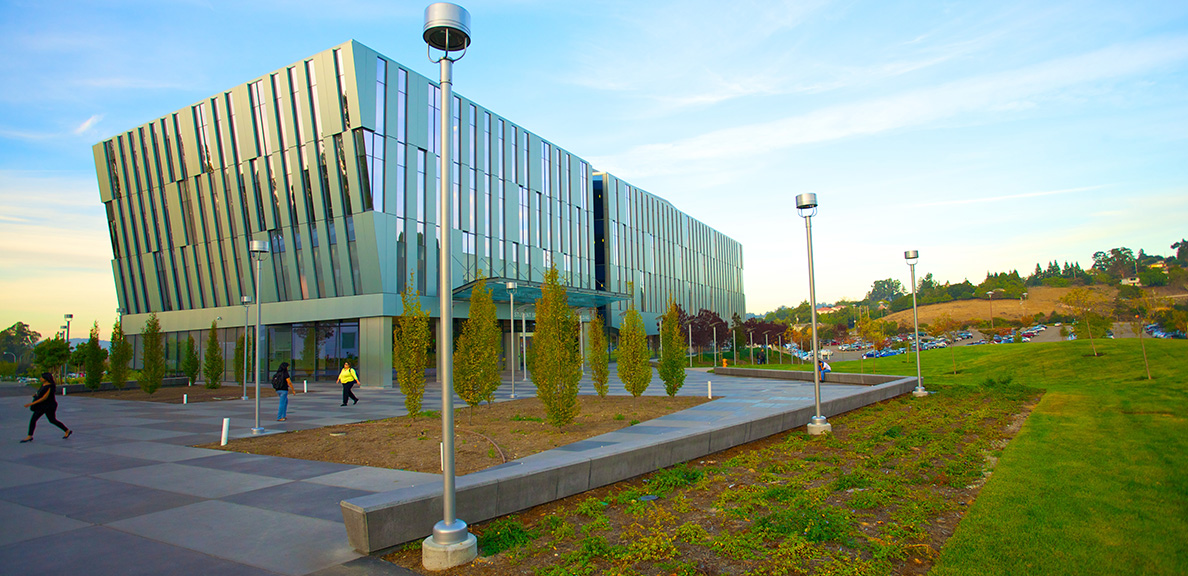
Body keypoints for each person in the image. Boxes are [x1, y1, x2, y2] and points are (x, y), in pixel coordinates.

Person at [21, 372, 72, 442]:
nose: (40, 378)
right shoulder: (43, 385)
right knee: (33, 419)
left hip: (49, 406)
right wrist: (35, 396)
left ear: (46, 378)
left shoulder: (51, 386)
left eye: (42, 377)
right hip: (41, 406)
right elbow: (40, 394)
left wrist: (31, 403)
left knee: (52, 420)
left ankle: (67, 430)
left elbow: (44, 398)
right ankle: (29, 436)